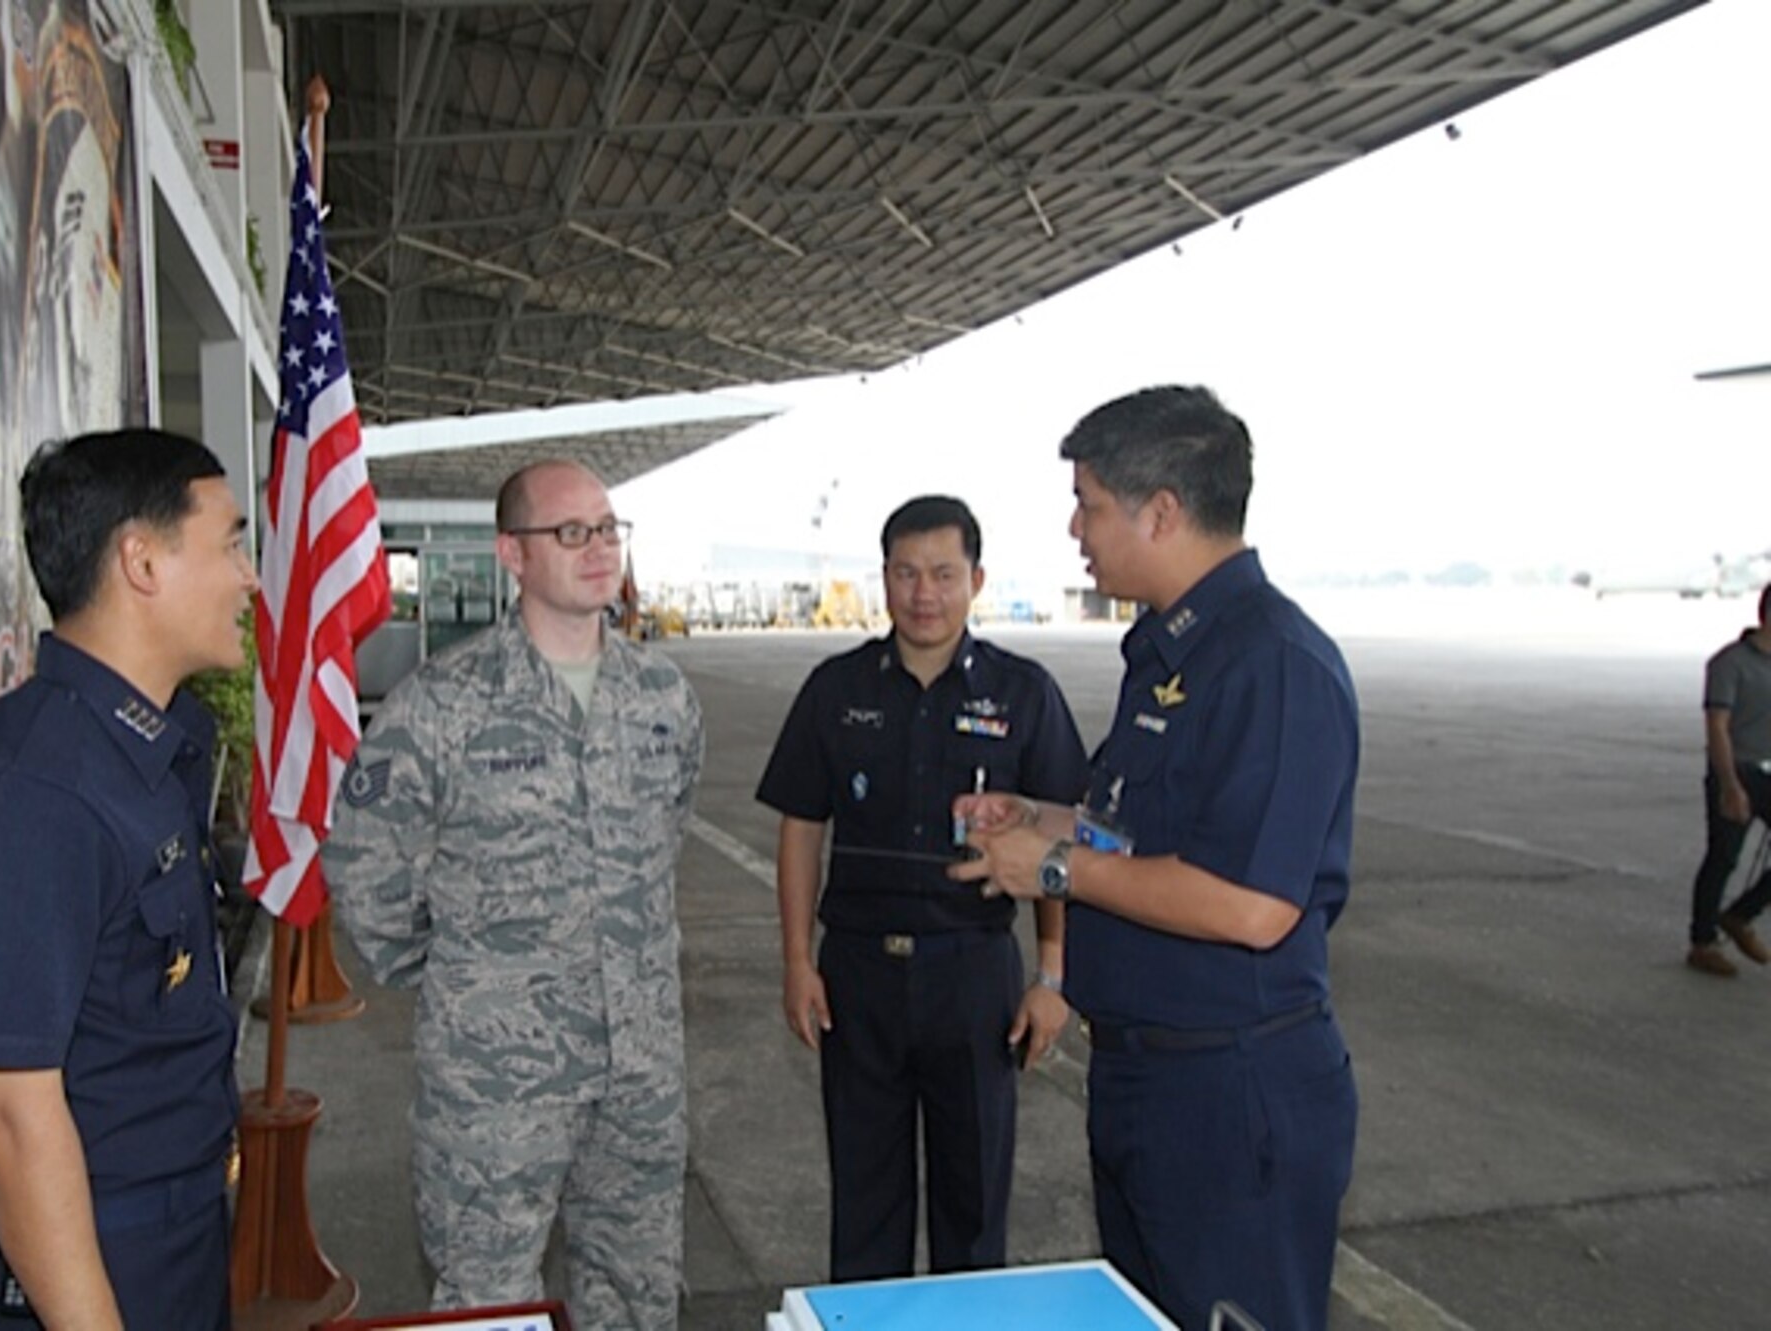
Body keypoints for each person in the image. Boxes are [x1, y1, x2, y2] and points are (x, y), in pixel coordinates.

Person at [953, 386, 1360, 1331]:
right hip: (1149, 1080)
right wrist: (1043, 817)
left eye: (1089, 503)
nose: (1074, 528)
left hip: (1230, 1091)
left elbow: (1254, 904)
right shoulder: (1173, 655)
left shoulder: (1274, 663)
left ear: (1163, 510)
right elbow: (1146, 832)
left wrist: (1051, 868)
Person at [322, 460, 703, 1330]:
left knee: (639, 1294)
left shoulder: (662, 698)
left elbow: (663, 832)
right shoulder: (441, 705)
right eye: (571, 532)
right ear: (512, 555)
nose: (600, 548)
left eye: (609, 529)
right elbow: (366, 864)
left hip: (640, 1069)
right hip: (495, 1079)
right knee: (486, 1300)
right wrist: (460, 971)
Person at [0, 428, 256, 1329]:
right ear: (141, 560)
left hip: (173, 1238)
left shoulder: (142, 752)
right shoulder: (34, 789)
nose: (248, 577)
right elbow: (10, 1113)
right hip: (86, 1266)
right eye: (228, 543)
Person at [756, 495, 1088, 1281]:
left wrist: (1052, 975)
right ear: (883, 580)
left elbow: (1062, 839)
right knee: (864, 1205)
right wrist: (798, 961)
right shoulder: (834, 690)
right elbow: (802, 827)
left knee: (973, 1211)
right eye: (906, 573)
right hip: (858, 979)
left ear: (975, 578)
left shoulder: (1023, 693)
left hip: (973, 977)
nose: (923, 592)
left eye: (943, 572)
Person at [1685, 585, 1771, 977]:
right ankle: (1702, 943)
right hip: (1735, 770)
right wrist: (1730, 785)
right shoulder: (1729, 663)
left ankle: (1739, 916)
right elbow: (1717, 728)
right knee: (1723, 857)